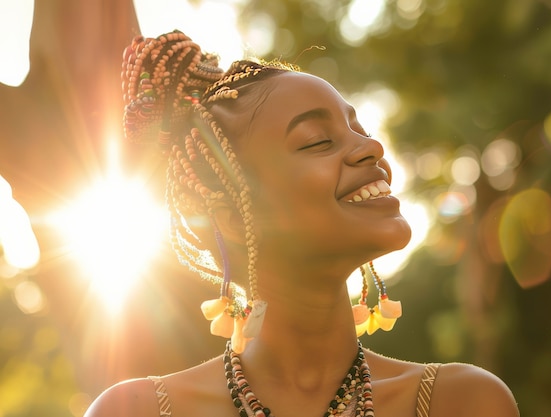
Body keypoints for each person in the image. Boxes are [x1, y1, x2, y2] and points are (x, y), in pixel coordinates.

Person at [85, 30, 519, 417]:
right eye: (319, 141)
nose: (372, 149)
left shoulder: (462, 404)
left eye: (359, 129)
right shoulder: (135, 412)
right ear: (233, 218)